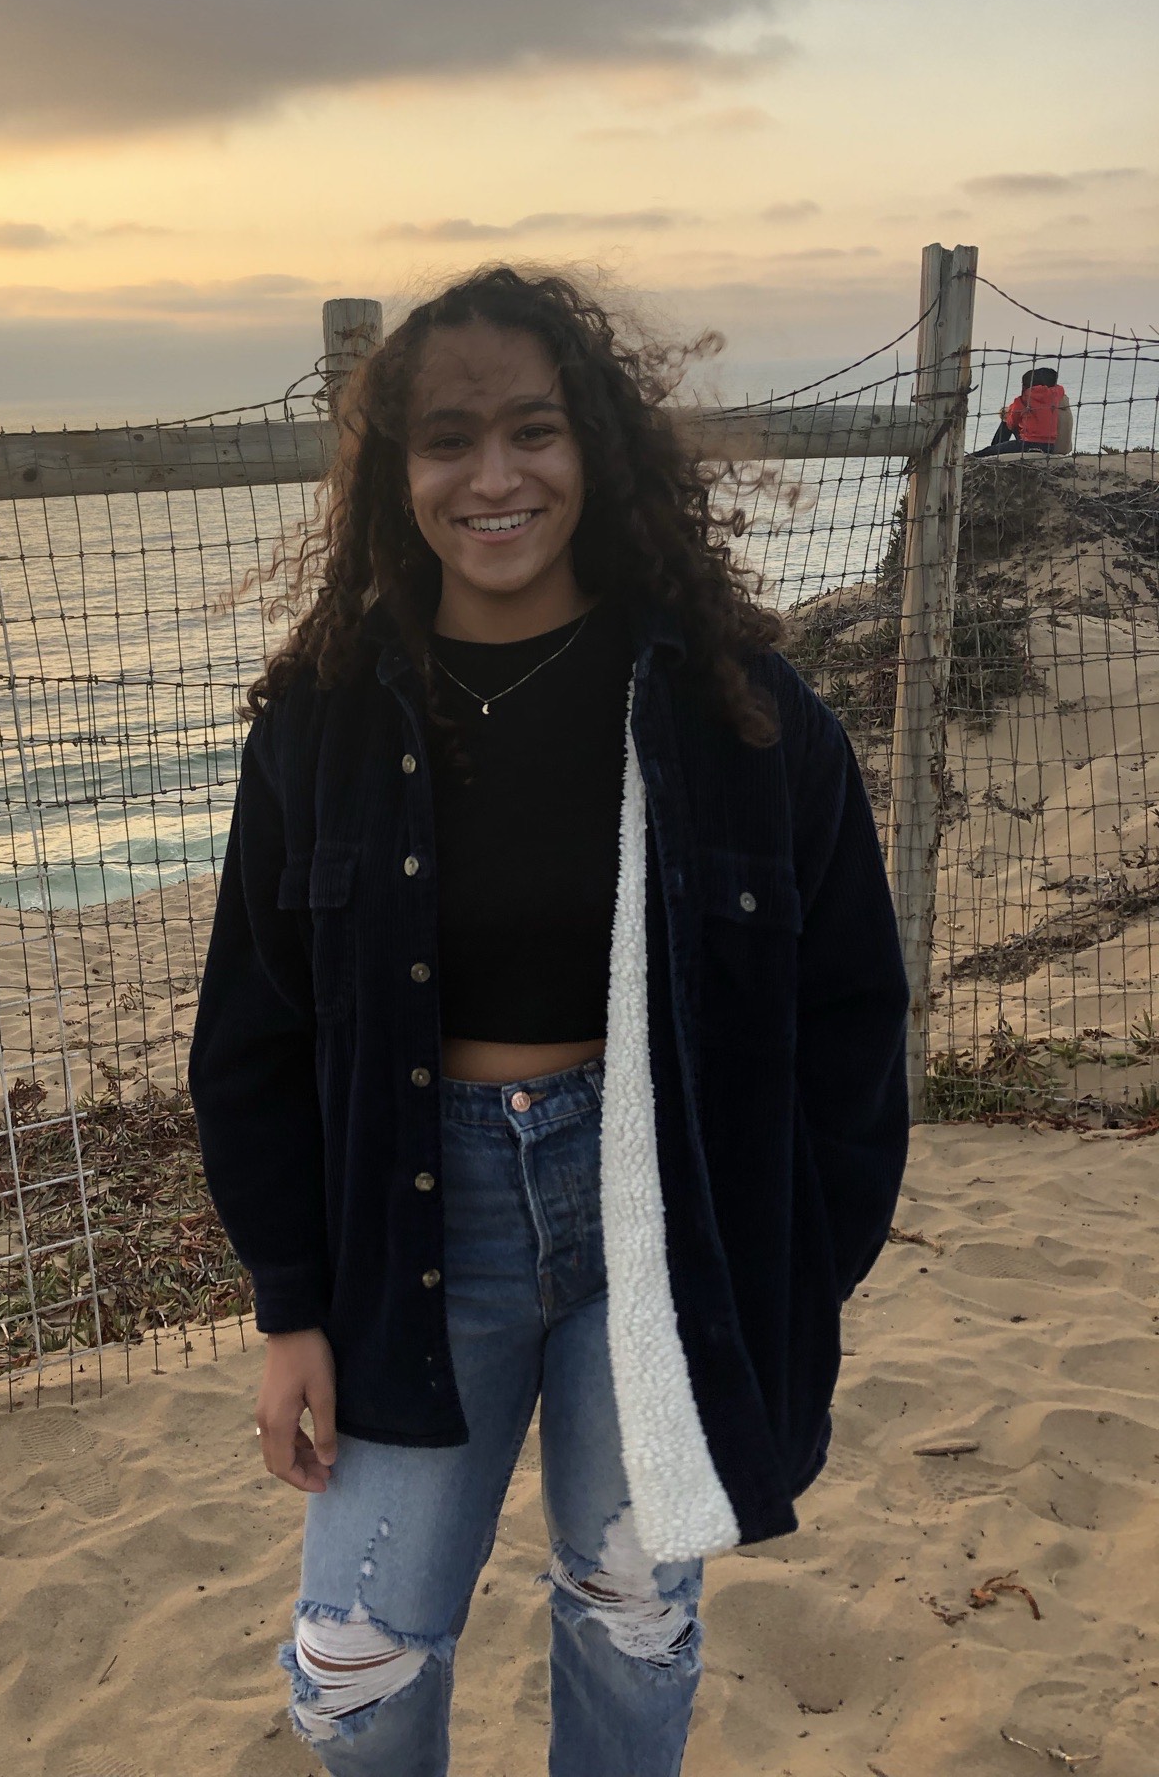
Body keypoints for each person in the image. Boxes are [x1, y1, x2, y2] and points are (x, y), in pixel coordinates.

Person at [188, 266, 910, 1776]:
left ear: (597, 451)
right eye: (449, 440)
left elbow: (852, 1020)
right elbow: (251, 1031)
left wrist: (797, 1267)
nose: (495, 477)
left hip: (663, 1221)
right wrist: (289, 1306)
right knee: (355, 1664)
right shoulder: (324, 724)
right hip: (417, 1224)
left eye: (535, 430)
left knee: (630, 1615)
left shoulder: (743, 717)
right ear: (398, 476)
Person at [978, 366, 1067, 455]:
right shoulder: (1054, 394)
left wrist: (1008, 414)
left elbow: (1012, 423)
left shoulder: (1022, 400)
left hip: (1027, 444)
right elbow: (1060, 388)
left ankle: (993, 449)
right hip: (1049, 446)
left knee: (986, 451)